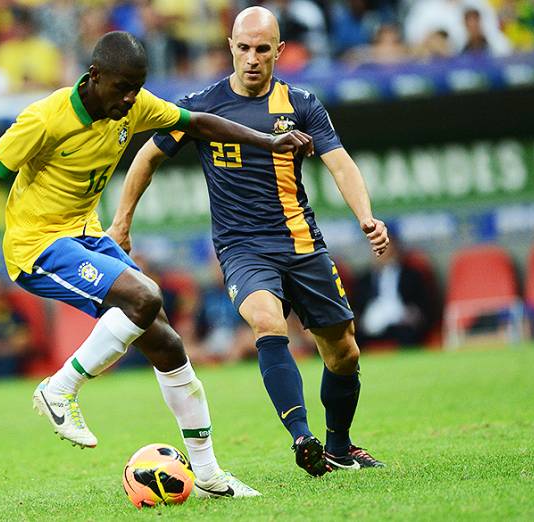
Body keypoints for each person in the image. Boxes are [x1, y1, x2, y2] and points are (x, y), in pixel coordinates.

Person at [0, 31, 314, 497]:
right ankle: (59, 389)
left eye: (138, 87)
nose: (131, 98)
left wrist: (269, 141)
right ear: (94, 76)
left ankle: (207, 475)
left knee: (166, 340)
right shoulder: (45, 118)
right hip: (36, 247)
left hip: (84, 233)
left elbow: (199, 122)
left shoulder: (133, 104)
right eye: (123, 87)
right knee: (145, 298)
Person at [108, 7, 389, 477]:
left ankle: (339, 446)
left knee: (343, 352)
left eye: (263, 49)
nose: (253, 58)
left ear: (279, 51)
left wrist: (367, 216)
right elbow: (146, 158)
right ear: (230, 47)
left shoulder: (301, 102)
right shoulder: (201, 106)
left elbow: (339, 162)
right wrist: (121, 223)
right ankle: (303, 437)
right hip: (243, 249)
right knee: (267, 321)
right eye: (244, 48)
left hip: (301, 241)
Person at [351, 237, 435, 347]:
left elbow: (423, 303)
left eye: (385, 248)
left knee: (409, 334)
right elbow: (357, 305)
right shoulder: (364, 279)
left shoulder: (411, 276)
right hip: (372, 323)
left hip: (400, 321)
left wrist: (414, 313)